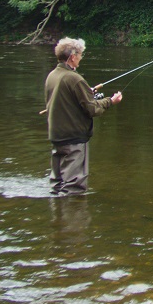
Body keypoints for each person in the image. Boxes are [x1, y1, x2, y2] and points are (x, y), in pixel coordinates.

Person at [43, 37, 122, 196]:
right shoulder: (74, 78)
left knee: (57, 186)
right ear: (72, 56)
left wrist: (86, 93)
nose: (80, 58)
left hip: (57, 136)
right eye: (80, 55)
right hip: (73, 139)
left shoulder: (52, 75)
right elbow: (92, 109)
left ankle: (57, 215)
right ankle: (73, 218)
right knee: (74, 188)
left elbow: (67, 99)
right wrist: (110, 101)